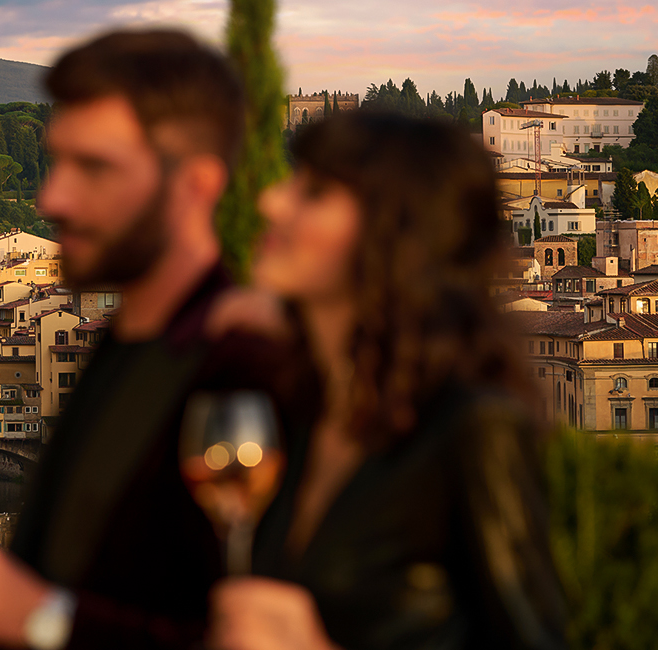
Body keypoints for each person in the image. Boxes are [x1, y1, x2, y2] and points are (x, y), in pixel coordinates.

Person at [0, 29, 297, 649]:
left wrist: (39, 618)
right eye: (58, 162)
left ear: (196, 185)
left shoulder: (245, 367)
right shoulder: (121, 348)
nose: (52, 197)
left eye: (95, 168)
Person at [207, 112, 566, 650]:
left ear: (394, 230)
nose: (271, 202)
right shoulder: (301, 412)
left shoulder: (472, 427)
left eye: (315, 192)